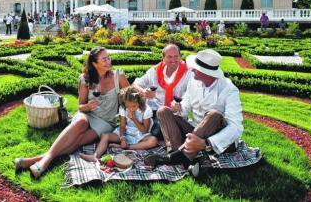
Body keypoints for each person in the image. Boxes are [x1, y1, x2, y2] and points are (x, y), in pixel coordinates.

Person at [14, 47, 130, 179]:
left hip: (105, 121)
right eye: (104, 59)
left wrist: (143, 93)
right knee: (80, 121)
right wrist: (88, 106)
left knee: (77, 141)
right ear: (94, 63)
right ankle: (45, 161)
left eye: (108, 57)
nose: (108, 61)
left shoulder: (118, 76)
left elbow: (131, 94)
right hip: (87, 113)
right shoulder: (85, 79)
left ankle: (30, 161)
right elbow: (80, 107)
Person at [144, 49, 243, 168]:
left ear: (207, 73)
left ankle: (176, 158)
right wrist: (178, 108)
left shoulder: (229, 89)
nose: (191, 69)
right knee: (162, 111)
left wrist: (206, 143)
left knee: (214, 115)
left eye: (195, 68)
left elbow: (236, 127)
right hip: (194, 131)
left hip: (216, 137)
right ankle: (177, 153)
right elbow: (185, 108)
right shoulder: (193, 81)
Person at [79, 85, 158, 162]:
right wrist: (123, 139)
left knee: (153, 141)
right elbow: (122, 127)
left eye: (134, 106)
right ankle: (95, 156)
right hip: (127, 132)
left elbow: (144, 130)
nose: (131, 109)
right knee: (105, 136)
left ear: (139, 101)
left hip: (140, 134)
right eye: (128, 106)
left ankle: (127, 147)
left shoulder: (146, 109)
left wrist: (133, 119)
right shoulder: (123, 108)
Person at [133, 44, 193, 139]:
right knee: (157, 131)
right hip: (157, 112)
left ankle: (171, 134)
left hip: (177, 113)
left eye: (176, 56)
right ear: (163, 58)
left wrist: (181, 106)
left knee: (157, 132)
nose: (173, 60)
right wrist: (143, 91)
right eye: (169, 57)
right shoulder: (154, 71)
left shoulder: (188, 73)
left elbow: (191, 94)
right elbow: (135, 84)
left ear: (180, 57)